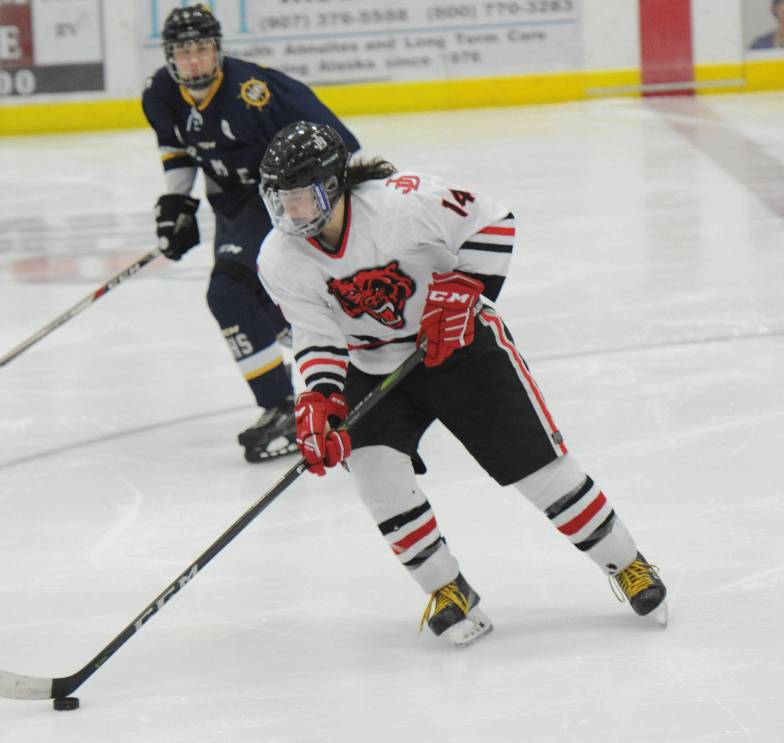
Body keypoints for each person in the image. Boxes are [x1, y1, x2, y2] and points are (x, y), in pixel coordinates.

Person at [256, 121, 668, 647]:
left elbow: (494, 222)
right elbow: (316, 336)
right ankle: (449, 589)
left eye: (301, 198)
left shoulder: (403, 204)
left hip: (462, 349)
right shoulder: (280, 258)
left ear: (333, 185)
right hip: (373, 363)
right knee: (377, 477)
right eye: (280, 201)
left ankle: (627, 564)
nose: (291, 214)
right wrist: (319, 398)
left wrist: (465, 287)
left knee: (538, 470)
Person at [142, 4, 360, 463]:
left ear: (217, 50)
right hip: (233, 204)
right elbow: (179, 149)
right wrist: (176, 205)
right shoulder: (160, 93)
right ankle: (343, 363)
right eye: (184, 53)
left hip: (284, 199)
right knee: (254, 301)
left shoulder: (257, 91)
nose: (195, 61)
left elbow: (341, 144)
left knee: (229, 293)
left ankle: (285, 403)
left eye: (202, 49)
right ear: (169, 57)